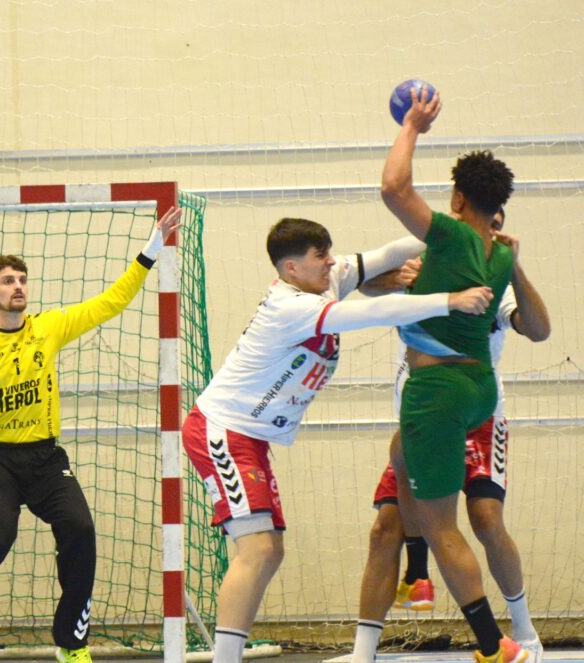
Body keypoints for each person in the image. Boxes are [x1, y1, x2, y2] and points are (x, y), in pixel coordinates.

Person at [181, 216, 497, 663]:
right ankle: (225, 659)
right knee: (257, 548)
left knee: (270, 551)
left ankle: (227, 652)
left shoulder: (325, 278)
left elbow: (387, 254)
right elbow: (373, 312)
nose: (332, 262)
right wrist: (449, 300)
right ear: (291, 269)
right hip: (222, 431)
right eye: (320, 256)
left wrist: (458, 227)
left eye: (330, 252)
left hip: (251, 438)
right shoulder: (292, 307)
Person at [0, 206, 183, 663]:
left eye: (22, 279)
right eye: (7, 281)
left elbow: (110, 302)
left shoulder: (47, 327)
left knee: (80, 529)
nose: (18, 287)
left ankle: (71, 644)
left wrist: (151, 249)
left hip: (45, 458)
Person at [351, 208, 550, 662]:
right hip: (420, 414)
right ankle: (366, 647)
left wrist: (515, 266)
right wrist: (402, 277)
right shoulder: (430, 256)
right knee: (385, 527)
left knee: (484, 519)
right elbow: (365, 284)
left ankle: (522, 631)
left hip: (475, 416)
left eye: (494, 226)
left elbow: (538, 329)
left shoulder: (491, 279)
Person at [379, 86, 531, 663]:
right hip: (478, 392)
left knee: (446, 526)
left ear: (459, 197)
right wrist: (405, 283)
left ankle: (494, 646)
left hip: (438, 393)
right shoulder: (500, 253)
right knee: (400, 456)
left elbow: (394, 187)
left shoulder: (449, 234)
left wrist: (412, 125)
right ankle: (413, 570)